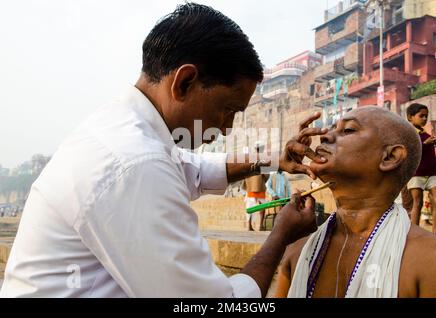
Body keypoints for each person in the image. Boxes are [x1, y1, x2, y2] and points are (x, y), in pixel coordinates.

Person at [0, 4, 322, 298]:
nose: (226, 128)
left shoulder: (126, 130)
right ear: (184, 82)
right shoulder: (135, 163)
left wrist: (271, 160)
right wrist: (282, 235)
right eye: (227, 110)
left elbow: (193, 169)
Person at [275, 107, 436, 298]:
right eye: (331, 129)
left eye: (348, 130)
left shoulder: (434, 260)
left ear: (390, 157)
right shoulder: (299, 252)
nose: (325, 137)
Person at [406, 103, 436, 235]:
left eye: (426, 116)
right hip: (416, 173)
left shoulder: (425, 134)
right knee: (417, 202)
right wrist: (424, 144)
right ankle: (414, 233)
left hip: (431, 173)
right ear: (410, 117)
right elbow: (409, 151)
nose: (424, 119)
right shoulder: (409, 134)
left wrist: (432, 142)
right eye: (421, 116)